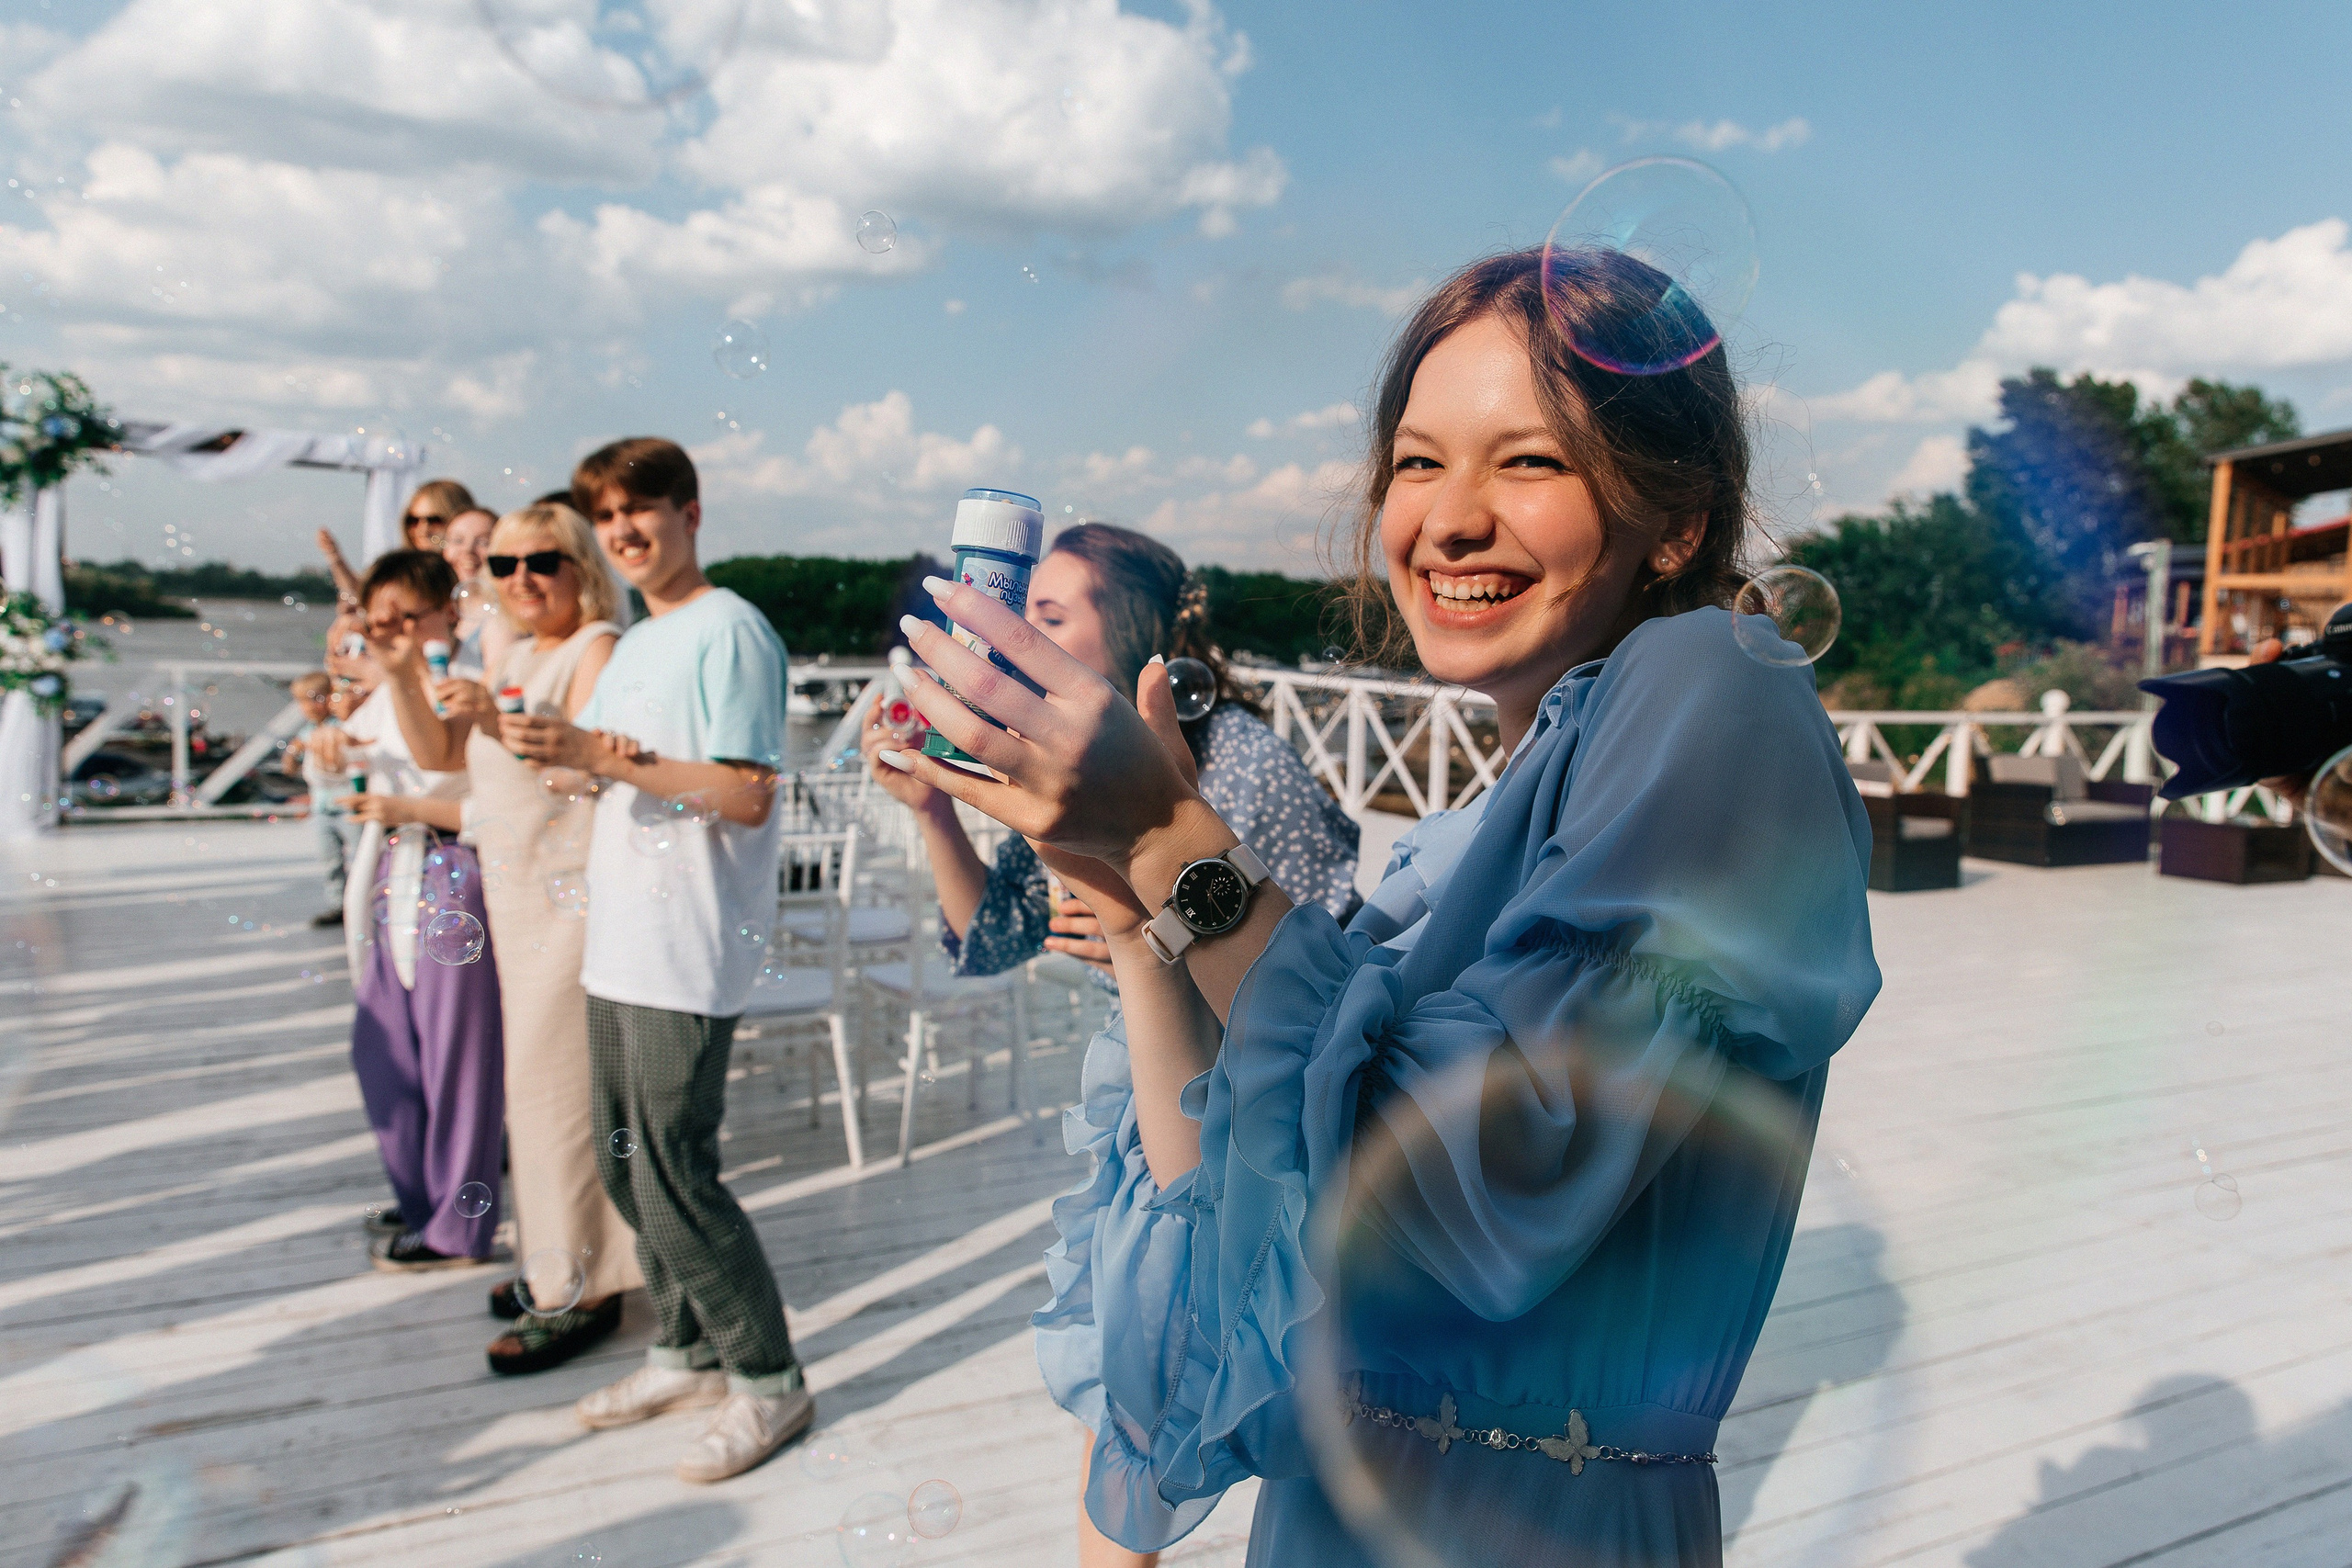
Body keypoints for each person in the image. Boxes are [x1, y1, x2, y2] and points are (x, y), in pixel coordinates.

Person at [880, 249, 1882, 1566]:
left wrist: (1172, 836)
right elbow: (1229, 1238)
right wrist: (1127, 904)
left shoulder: (1720, 680)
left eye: (1529, 461)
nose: (1449, 519)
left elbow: (1487, 1181)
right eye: (1417, 462)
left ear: (1677, 520)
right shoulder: (1467, 839)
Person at [503, 437, 808, 1483]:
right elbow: (598, 770)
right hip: (621, 937)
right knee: (625, 1164)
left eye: (641, 508)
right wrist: (558, 756)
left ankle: (769, 1378)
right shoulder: (638, 639)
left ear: (690, 512)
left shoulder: (731, 631)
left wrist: (600, 759)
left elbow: (747, 793)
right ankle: (685, 1353)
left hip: (688, 941)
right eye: (606, 516)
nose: (623, 530)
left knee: (677, 1169)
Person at [369, 501, 646, 1374]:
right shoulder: (514, 649)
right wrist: (402, 673)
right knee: (531, 1098)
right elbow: (441, 754)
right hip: (513, 892)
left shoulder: (596, 645)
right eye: (505, 564)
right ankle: (552, 1261)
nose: (521, 577)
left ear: (580, 568)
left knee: (555, 1096)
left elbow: (582, 772)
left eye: (542, 561)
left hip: (570, 900)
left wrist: (492, 716)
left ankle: (582, 1289)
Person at [865, 523, 1360, 996]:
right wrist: (933, 810)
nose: (1013, 635)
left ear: (1130, 634)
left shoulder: (1250, 763)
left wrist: (1161, 953)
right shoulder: (1072, 766)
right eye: (1020, 612)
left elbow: (1327, 989)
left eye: (1050, 619)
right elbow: (996, 939)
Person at [311, 548, 508, 1273]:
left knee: (457, 1056)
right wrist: (330, 750)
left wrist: (405, 806)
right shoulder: (382, 688)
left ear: (447, 614)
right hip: (392, 872)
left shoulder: (466, 685)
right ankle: (423, 1198)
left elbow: (481, 793)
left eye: (405, 616)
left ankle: (457, 1225)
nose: (389, 631)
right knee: (383, 1048)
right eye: (378, 618)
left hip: (455, 872)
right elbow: (354, 761)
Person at [317, 478, 480, 608]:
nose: (422, 529)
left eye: (434, 521)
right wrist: (335, 557)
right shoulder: (408, 574)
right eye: (413, 521)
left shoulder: (473, 573)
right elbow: (366, 596)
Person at [280, 671, 352, 926]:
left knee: (360, 856)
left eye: (315, 698)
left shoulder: (340, 726)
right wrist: (291, 755)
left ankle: (362, 903)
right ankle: (339, 905)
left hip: (348, 803)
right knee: (329, 858)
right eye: (302, 701)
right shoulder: (308, 731)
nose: (309, 707)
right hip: (321, 807)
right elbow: (291, 759)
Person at [438, 505, 514, 680]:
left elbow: (498, 687)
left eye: (483, 542)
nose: (468, 550)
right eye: (458, 540)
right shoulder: (435, 612)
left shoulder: (502, 620)